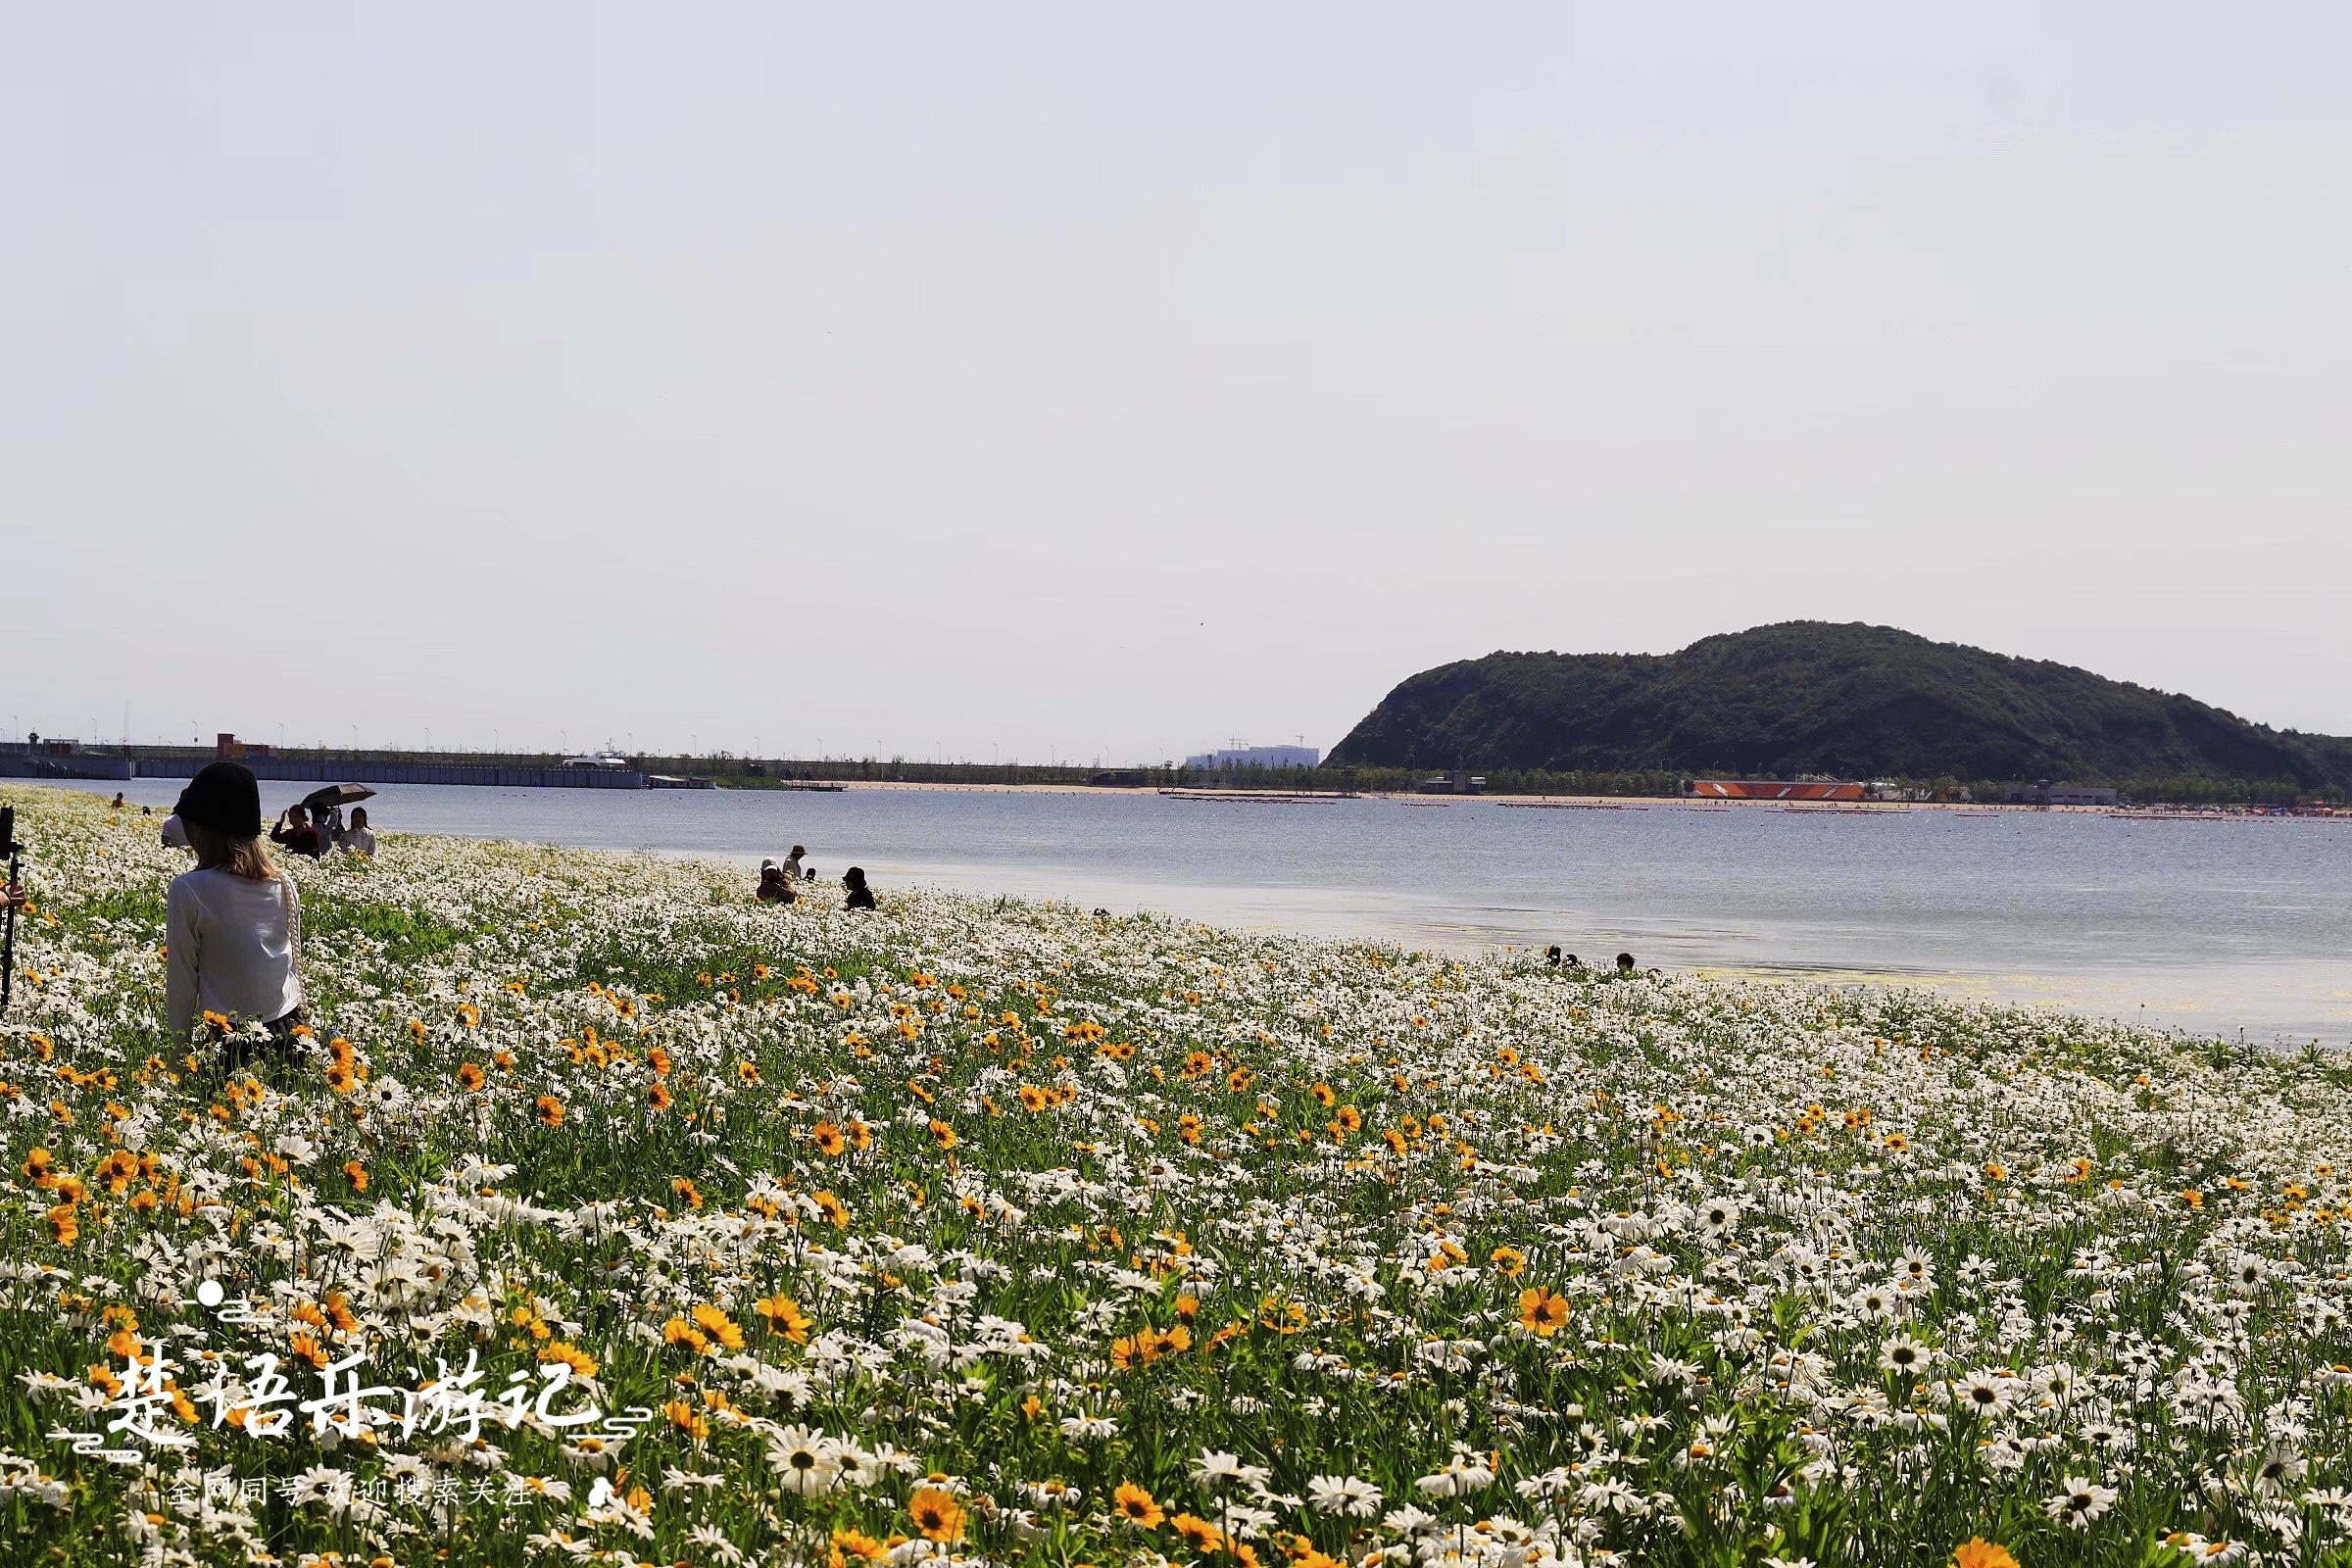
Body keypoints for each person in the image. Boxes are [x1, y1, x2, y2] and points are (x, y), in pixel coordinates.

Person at [166, 761, 305, 1066]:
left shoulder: (189, 890)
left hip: (228, 1045)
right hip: (288, 1034)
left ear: (199, 827)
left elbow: (181, 985)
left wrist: (175, 1062)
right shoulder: (284, 884)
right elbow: (290, 967)